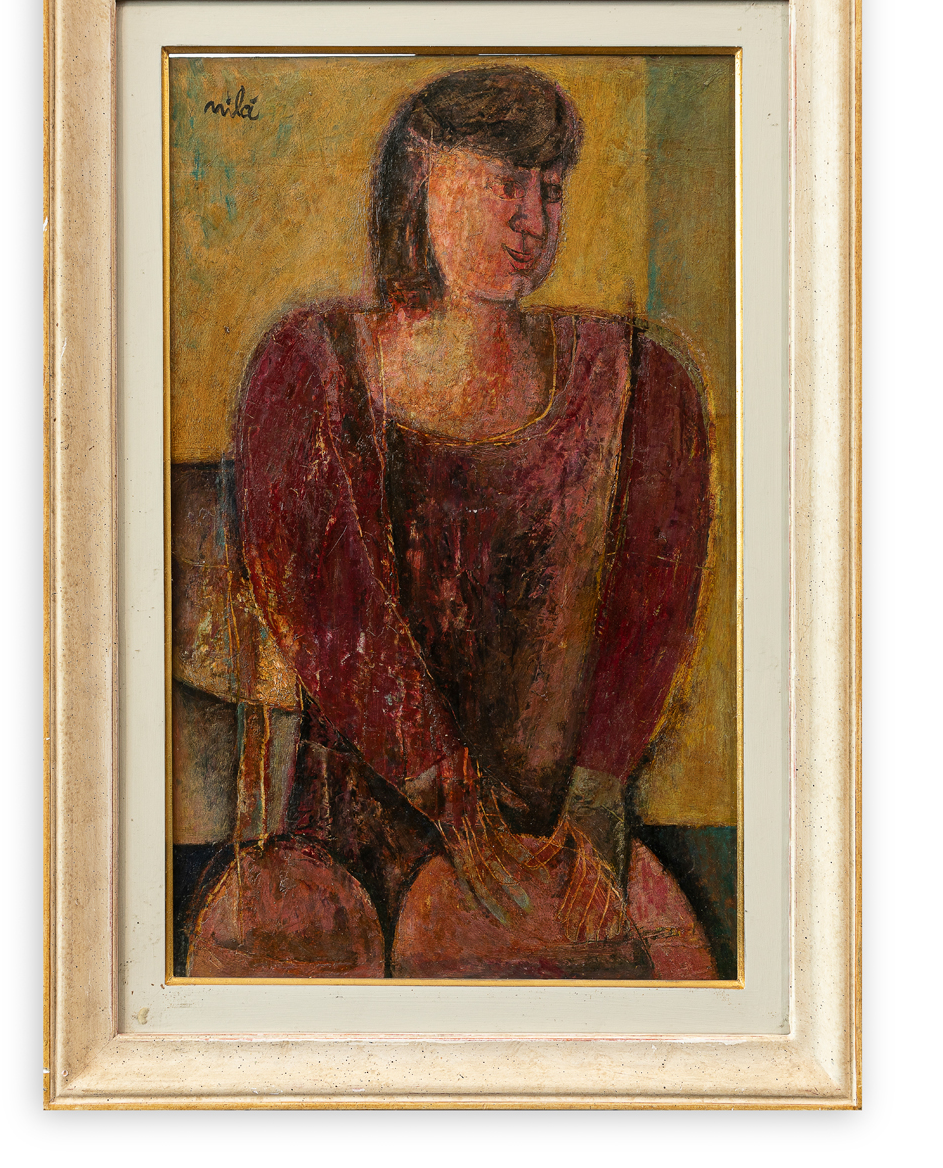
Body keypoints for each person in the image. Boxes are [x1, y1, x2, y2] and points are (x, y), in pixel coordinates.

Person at [186, 65, 717, 979]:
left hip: (564, 836)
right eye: (505, 183)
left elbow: (651, 608)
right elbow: (328, 612)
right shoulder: (309, 367)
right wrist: (444, 788)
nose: (532, 220)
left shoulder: (638, 381)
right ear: (420, 184)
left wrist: (590, 809)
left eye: (550, 189)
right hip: (354, 835)